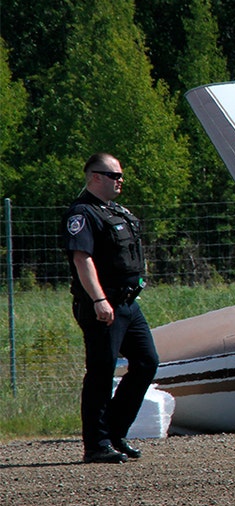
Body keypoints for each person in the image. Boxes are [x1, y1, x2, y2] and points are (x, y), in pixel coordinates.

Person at [63, 153, 159, 463]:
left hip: (128, 304)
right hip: (104, 305)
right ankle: (96, 445)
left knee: (146, 362)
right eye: (113, 175)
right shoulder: (83, 214)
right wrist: (98, 299)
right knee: (101, 373)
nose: (120, 180)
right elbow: (82, 259)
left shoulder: (115, 211)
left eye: (120, 175)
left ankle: (115, 432)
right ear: (94, 177)